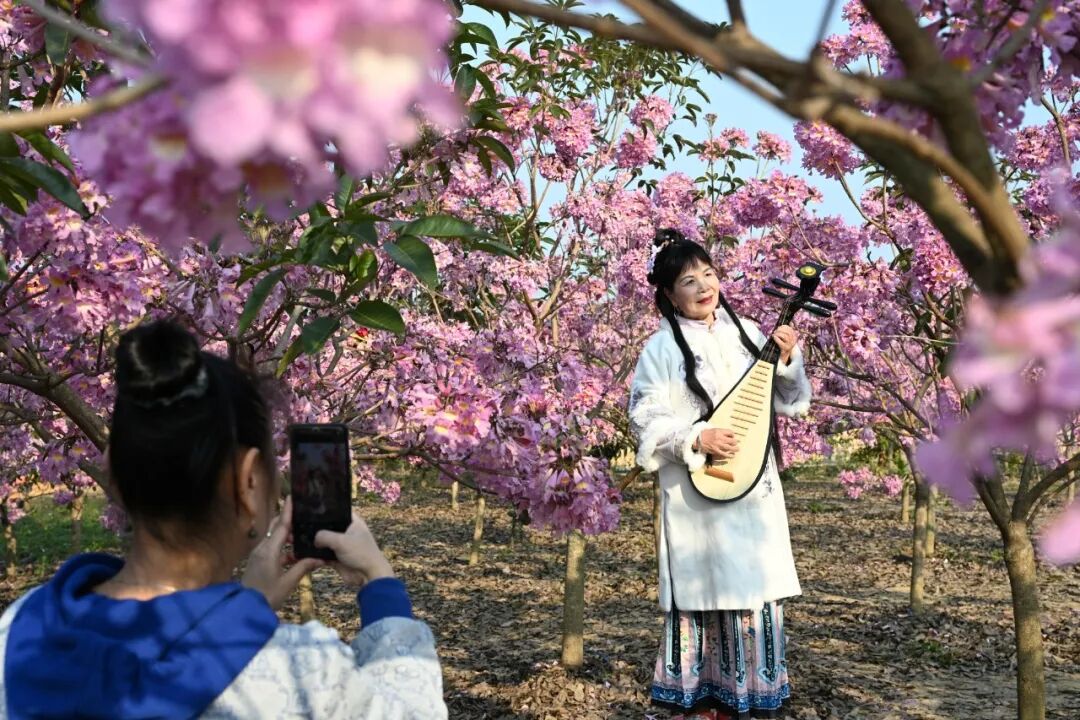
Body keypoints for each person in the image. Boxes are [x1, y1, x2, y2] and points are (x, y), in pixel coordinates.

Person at [0, 320, 447, 719]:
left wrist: (245, 609)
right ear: (249, 481)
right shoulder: (303, 675)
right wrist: (380, 580)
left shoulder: (19, 630)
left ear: (113, 473)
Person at [628, 229, 812, 720]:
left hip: (754, 495)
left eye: (708, 274)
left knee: (755, 593)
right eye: (689, 281)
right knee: (706, 595)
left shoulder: (747, 333)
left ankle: (754, 703)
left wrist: (787, 360)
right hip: (699, 501)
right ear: (670, 295)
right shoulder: (660, 349)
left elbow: (789, 401)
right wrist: (696, 437)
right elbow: (644, 419)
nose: (704, 286)